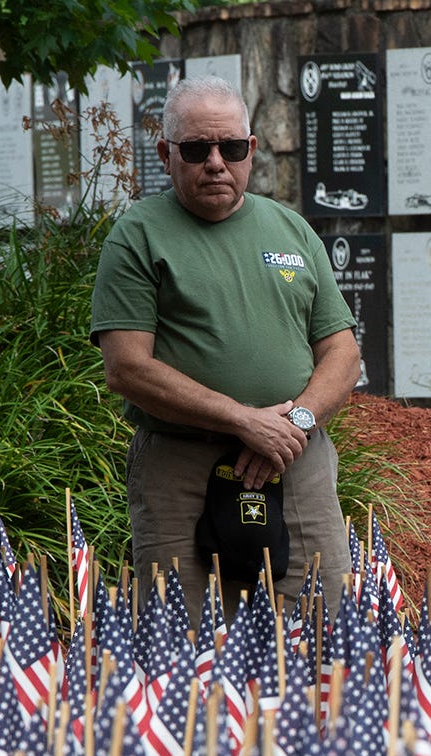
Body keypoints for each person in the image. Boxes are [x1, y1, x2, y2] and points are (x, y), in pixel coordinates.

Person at [89, 74, 360, 616]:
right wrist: (242, 419)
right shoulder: (138, 236)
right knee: (184, 646)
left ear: (251, 150)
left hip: (294, 465)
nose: (216, 161)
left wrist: (293, 425)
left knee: (324, 635)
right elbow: (127, 369)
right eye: (196, 149)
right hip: (180, 471)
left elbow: (344, 353)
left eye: (231, 147)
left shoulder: (293, 232)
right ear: (167, 154)